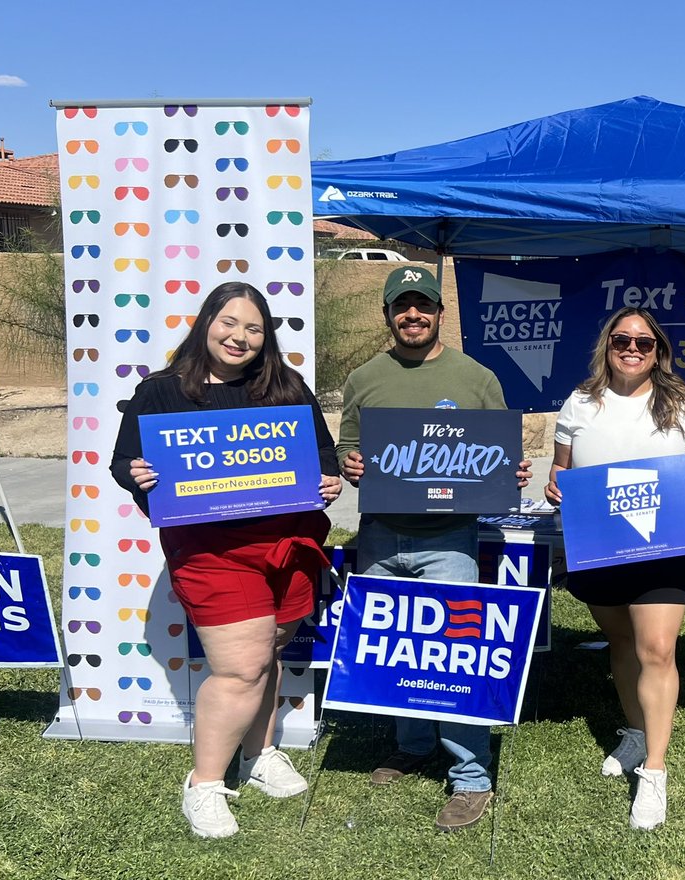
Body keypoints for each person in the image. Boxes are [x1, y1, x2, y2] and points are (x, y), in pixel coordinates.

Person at [111, 282, 342, 839]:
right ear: (206, 322)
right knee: (240, 666)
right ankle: (205, 784)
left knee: (268, 653)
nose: (239, 336)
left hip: (288, 543)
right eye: (229, 322)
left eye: (254, 328)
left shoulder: (287, 387)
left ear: (267, 338)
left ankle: (258, 754)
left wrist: (328, 478)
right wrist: (137, 478)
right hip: (211, 551)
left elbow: (323, 451)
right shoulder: (161, 391)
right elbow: (125, 463)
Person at [337, 265, 531, 833]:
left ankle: (472, 776)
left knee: (453, 656)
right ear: (388, 314)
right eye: (402, 306)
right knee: (395, 649)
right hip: (378, 535)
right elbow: (352, 446)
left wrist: (511, 470)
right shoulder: (363, 377)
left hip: (450, 540)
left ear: (440, 312)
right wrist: (351, 465)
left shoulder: (475, 377)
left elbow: (499, 453)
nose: (413, 315)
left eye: (423, 305)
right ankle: (414, 744)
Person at [543, 307, 685, 831]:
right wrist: (556, 484)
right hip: (599, 544)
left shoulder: (680, 402)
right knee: (623, 643)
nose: (632, 349)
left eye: (644, 343)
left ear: (657, 352)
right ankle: (635, 731)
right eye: (622, 339)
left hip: (661, 544)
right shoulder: (579, 402)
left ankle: (655, 771)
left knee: (657, 648)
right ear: (607, 345)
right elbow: (560, 467)